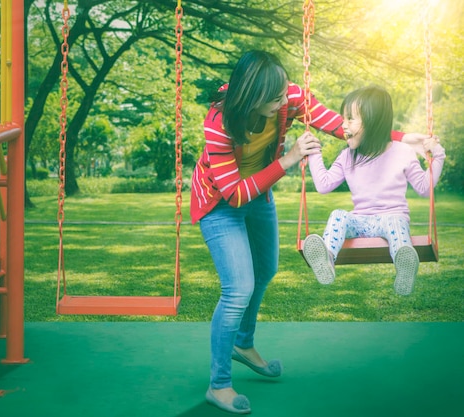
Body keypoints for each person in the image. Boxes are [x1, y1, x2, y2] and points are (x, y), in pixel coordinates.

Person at [190, 50, 429, 415]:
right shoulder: (219, 121)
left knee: (265, 270)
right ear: (253, 97)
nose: (286, 102)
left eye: (285, 94)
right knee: (238, 288)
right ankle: (219, 384)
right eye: (276, 99)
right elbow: (234, 194)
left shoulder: (289, 95)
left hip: (259, 193)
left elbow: (337, 124)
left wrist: (400, 137)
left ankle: (243, 343)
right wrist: (288, 160)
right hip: (222, 201)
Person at [303, 85, 445, 296]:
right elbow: (323, 185)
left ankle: (404, 266)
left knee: (396, 223)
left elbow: (424, 188)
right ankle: (327, 259)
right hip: (360, 221)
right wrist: (313, 153)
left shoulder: (403, 152)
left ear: (373, 121)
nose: (343, 125)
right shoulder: (347, 156)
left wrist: (438, 157)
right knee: (338, 216)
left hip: (392, 218)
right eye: (343, 119)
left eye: (350, 119)